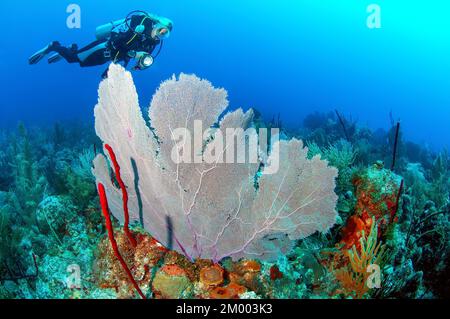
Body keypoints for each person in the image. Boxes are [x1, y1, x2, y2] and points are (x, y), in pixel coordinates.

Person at [29, 11, 173, 77]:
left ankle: (72, 48)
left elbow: (145, 58)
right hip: (104, 47)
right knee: (73, 59)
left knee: (102, 77)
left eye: (165, 34)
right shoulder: (138, 23)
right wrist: (136, 53)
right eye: (162, 30)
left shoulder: (153, 43)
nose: (161, 34)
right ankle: (53, 45)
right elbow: (117, 38)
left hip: (115, 59)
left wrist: (140, 64)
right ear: (156, 23)